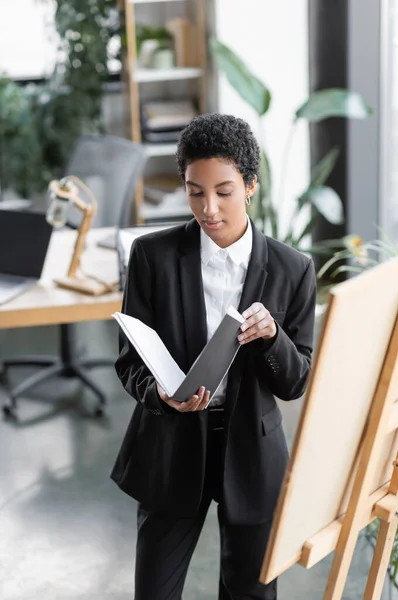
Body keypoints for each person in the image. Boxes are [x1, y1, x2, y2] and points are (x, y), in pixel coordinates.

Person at [112, 113, 316, 599]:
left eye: (223, 191)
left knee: (250, 592)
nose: (209, 207)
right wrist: (161, 395)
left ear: (250, 186)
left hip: (251, 450)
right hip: (171, 446)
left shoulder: (293, 269)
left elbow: (296, 381)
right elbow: (128, 361)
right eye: (194, 191)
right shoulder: (152, 256)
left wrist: (272, 339)